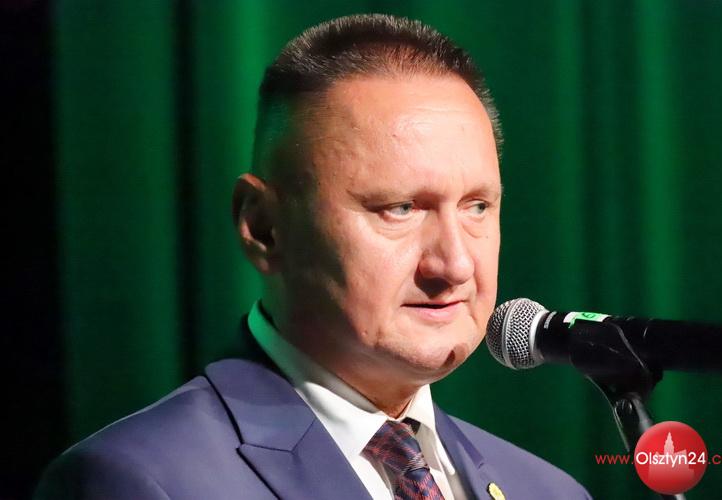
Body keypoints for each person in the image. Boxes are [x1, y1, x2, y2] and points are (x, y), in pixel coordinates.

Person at [36, 14, 591, 500]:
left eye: (477, 206)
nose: (455, 266)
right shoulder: (140, 481)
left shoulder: (547, 490)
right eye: (399, 208)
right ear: (264, 228)